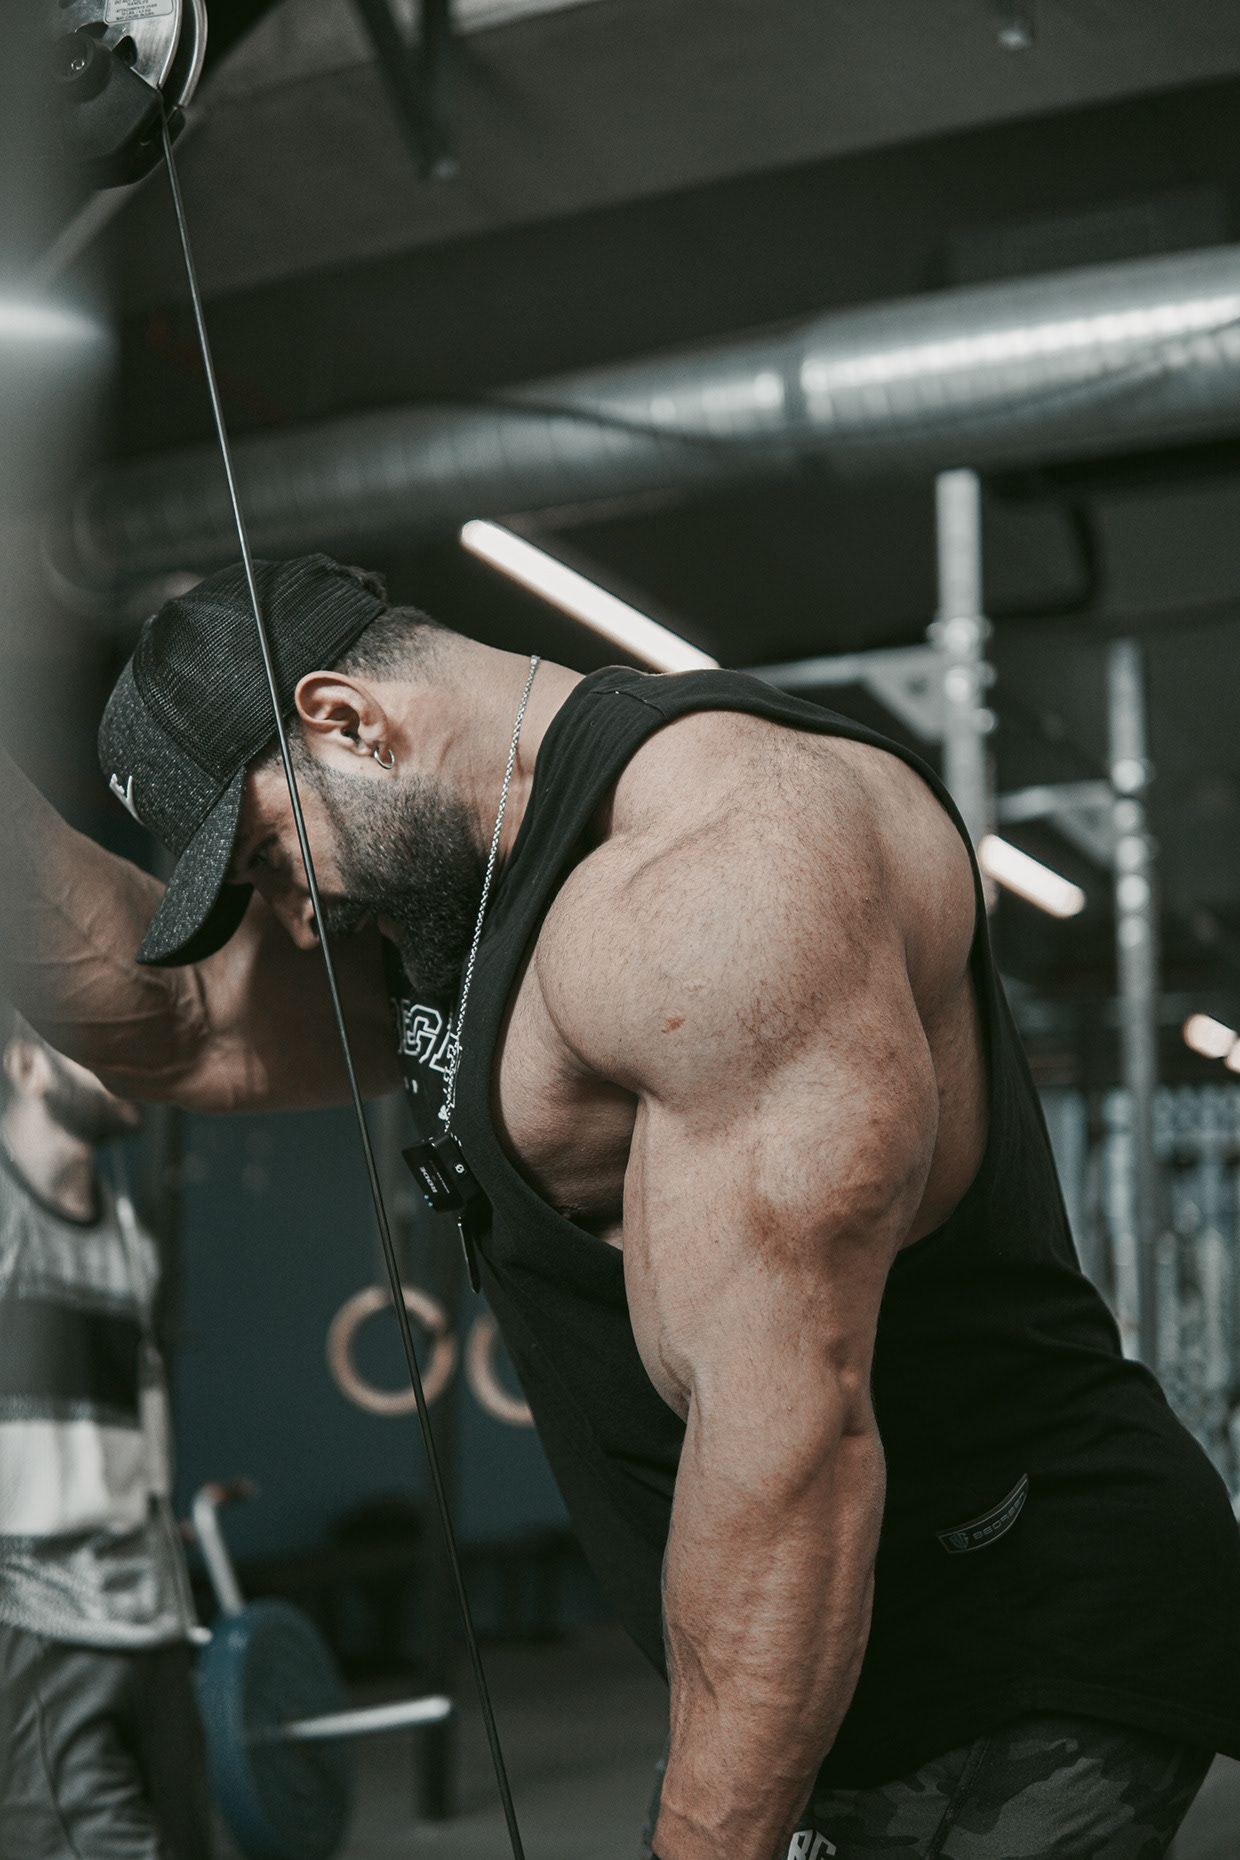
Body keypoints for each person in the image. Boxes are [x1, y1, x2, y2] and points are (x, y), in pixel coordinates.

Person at [3, 552, 1237, 1860]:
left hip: (1017, 1642)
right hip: (830, 1652)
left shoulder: (722, 874)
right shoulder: (459, 897)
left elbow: (789, 1451)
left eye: (269, 858)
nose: (294, 924)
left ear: (348, 721)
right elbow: (179, 1024)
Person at [0, 1007, 210, 1860]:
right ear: (27, 1068)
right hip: (37, 1623)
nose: (126, 1067)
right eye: (94, 1051)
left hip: (150, 1619)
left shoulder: (129, 1236)